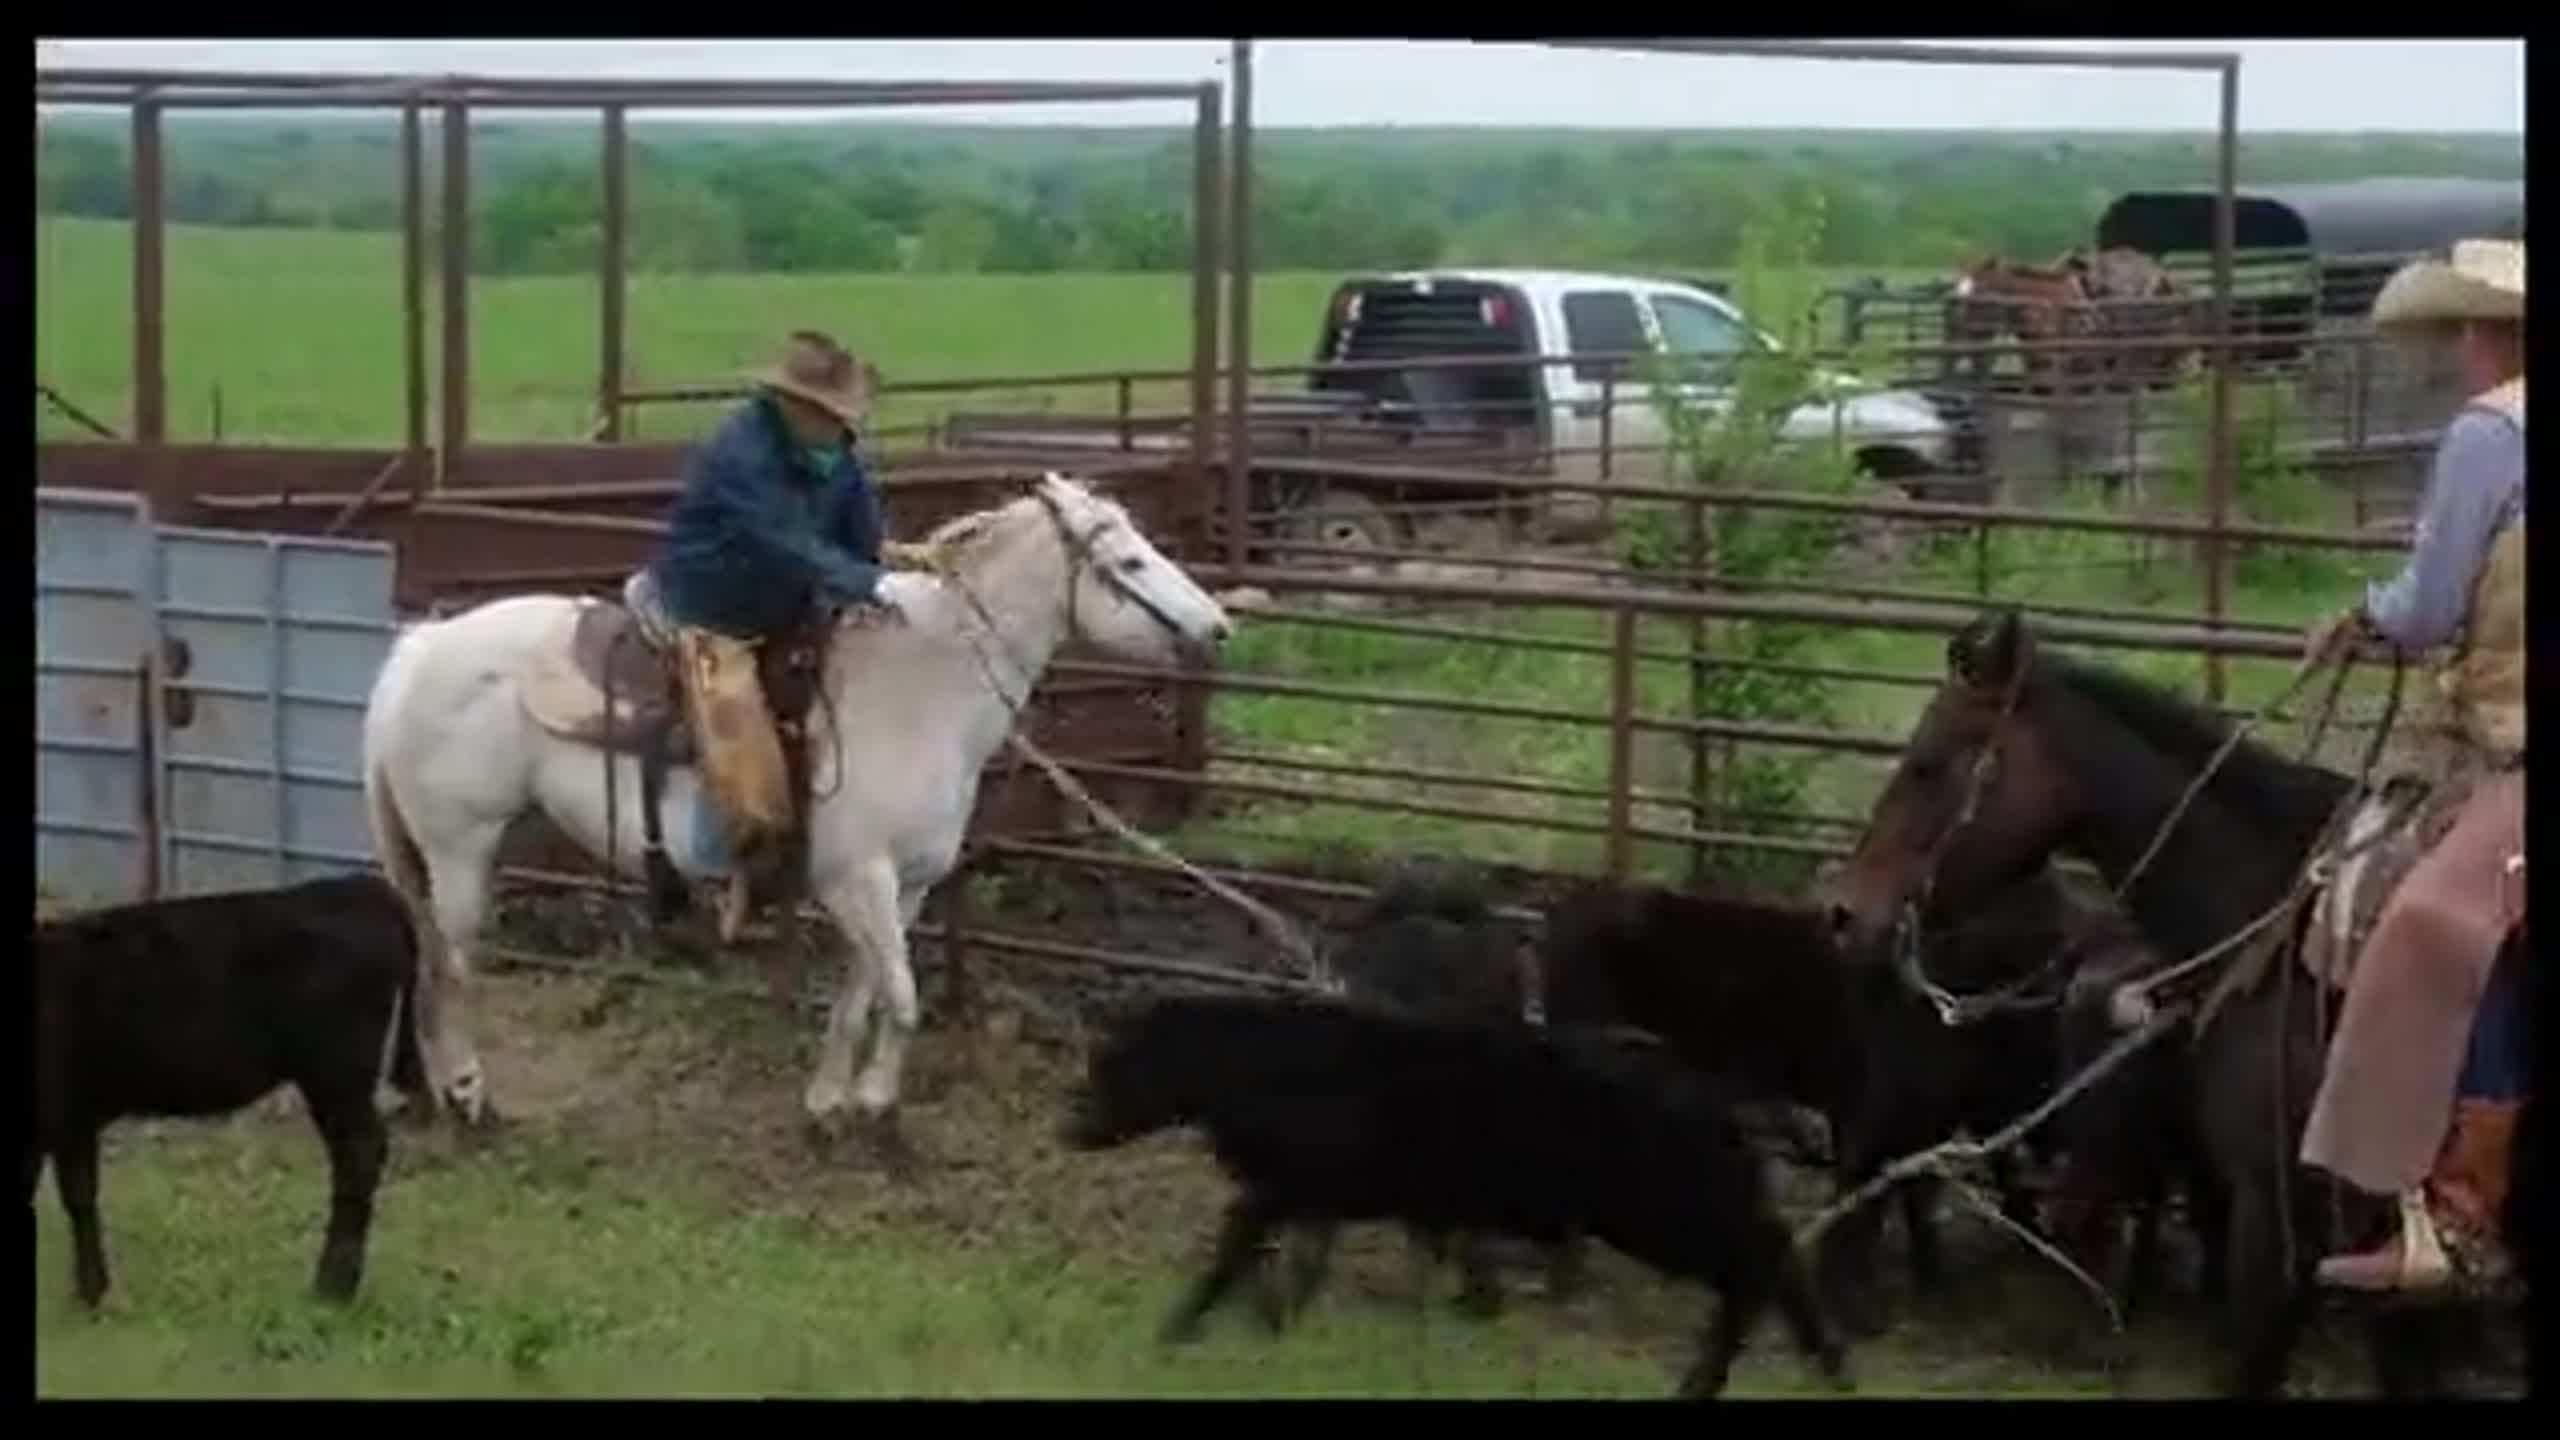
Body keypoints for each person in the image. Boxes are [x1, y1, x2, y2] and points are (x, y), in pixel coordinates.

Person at [2297, 238, 2524, 1294]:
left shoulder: (2489, 435)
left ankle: (2454, 1220)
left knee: (2433, 921)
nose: (2455, 357)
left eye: (2460, 335)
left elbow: (2431, 605)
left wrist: (2366, 613)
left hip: (2514, 749)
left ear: (2482, 337)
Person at [636, 328, 942, 941]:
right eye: (827, 414)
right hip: (713, 606)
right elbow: (780, 541)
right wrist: (867, 584)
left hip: (793, 606)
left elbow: (859, 528)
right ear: (792, 406)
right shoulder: (740, 453)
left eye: (842, 416)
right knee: (736, 725)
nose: (838, 426)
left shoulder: (837, 455)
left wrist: (887, 570)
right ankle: (731, 865)